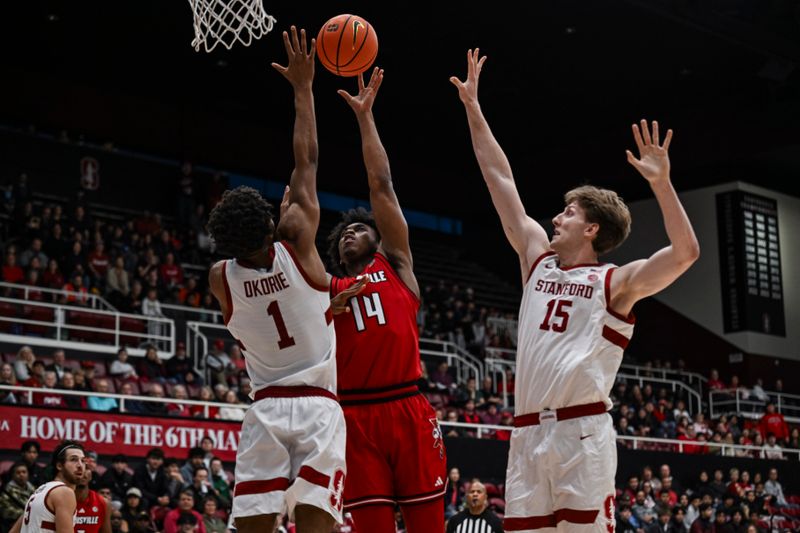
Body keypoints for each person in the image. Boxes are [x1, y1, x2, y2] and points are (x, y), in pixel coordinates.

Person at [451, 49, 699, 532]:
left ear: (592, 230)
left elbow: (686, 253)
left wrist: (664, 184)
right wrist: (473, 110)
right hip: (525, 434)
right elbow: (499, 179)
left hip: (580, 434)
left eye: (568, 213)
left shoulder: (616, 282)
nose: (556, 218)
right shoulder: (536, 260)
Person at [206, 26, 345, 533]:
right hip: (319, 407)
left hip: (264, 408)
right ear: (272, 224)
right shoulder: (297, 241)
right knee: (315, 523)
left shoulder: (220, 276)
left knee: (253, 525)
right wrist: (304, 88)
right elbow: (305, 159)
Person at [327, 67, 447, 532]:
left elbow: (381, 186)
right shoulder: (328, 288)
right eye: (343, 235)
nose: (351, 233)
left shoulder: (395, 265)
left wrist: (365, 117)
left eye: (359, 228)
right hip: (354, 416)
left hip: (408, 408)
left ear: (376, 239)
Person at [9, 441, 85, 533]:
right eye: (73, 459)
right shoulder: (64, 492)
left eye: (83, 460)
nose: (80, 465)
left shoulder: (39, 491)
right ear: (59, 465)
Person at [74, 464, 112, 533]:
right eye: (78, 468)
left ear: (91, 475)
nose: (82, 472)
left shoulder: (104, 503)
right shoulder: (60, 501)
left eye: (86, 468)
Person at [0, 463, 35, 531]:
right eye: (18, 473)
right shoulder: (7, 491)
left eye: (24, 472)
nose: (21, 475)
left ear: (28, 474)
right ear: (13, 475)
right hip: (15, 525)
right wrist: (29, 514)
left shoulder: (35, 490)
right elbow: (6, 511)